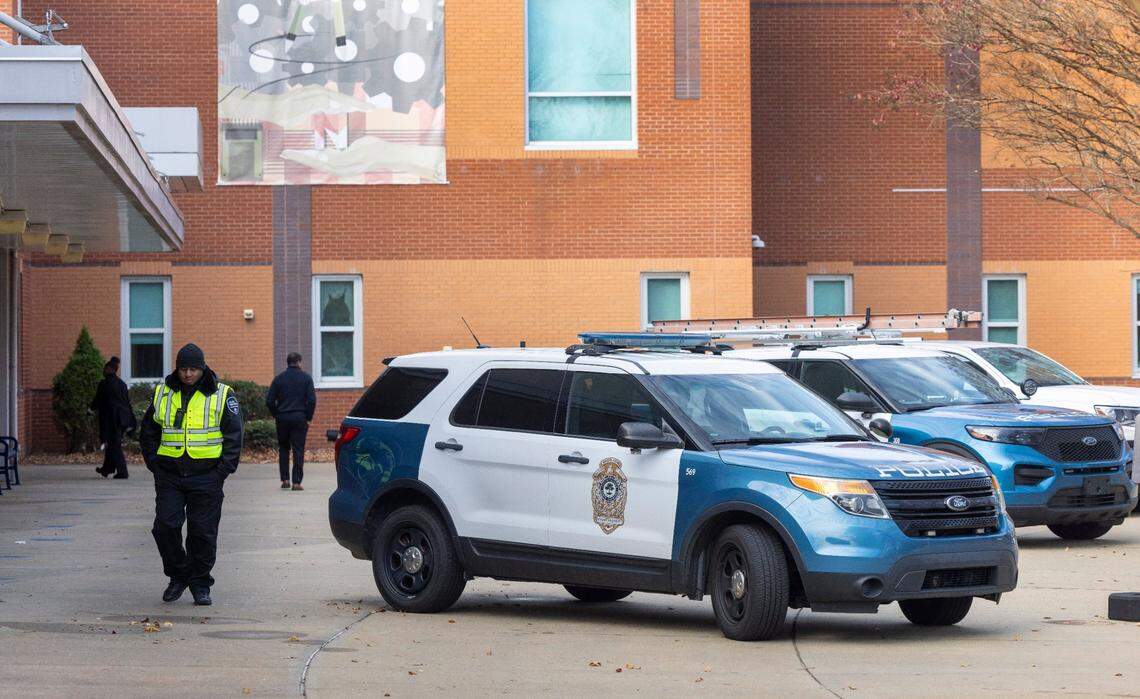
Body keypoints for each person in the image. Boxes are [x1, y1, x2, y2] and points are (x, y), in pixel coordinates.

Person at [139, 343, 242, 606]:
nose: (187, 374)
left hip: (207, 475)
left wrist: (222, 471)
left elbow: (234, 435)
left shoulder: (222, 394)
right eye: (183, 368)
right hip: (170, 474)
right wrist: (154, 462)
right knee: (165, 526)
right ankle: (178, 574)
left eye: (193, 369)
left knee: (203, 532)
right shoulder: (163, 392)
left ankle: (200, 583)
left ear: (202, 368)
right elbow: (148, 431)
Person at [265, 352, 316, 491]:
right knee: (298, 450)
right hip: (299, 418)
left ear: (288, 363)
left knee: (283, 448)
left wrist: (277, 414)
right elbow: (311, 400)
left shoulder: (278, 379)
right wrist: (308, 417)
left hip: (282, 418)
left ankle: (285, 480)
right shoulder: (306, 378)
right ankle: (297, 483)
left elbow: (269, 401)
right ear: (299, 362)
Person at [91, 356, 136, 479]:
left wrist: (90, 409)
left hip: (111, 420)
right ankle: (107, 468)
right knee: (112, 444)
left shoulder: (104, 384)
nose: (103, 370)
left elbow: (98, 400)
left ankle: (122, 472)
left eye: (105, 368)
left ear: (109, 369)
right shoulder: (121, 384)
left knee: (114, 445)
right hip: (122, 419)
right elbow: (127, 402)